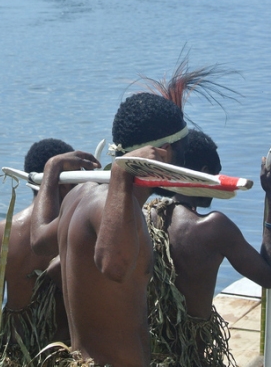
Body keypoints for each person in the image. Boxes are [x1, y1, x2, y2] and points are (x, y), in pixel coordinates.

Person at [31, 91, 190, 367]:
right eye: (183, 150)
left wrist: (51, 168)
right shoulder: (111, 204)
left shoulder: (79, 195)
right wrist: (121, 172)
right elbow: (114, 266)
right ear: (161, 153)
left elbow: (39, 239)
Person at [144, 130, 271, 367]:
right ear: (203, 174)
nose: (219, 181)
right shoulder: (212, 227)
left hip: (147, 355)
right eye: (215, 173)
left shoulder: (148, 216)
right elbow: (270, 276)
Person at [0, 138, 76, 367]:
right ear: (63, 183)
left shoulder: (0, 233)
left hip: (14, 359)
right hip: (62, 357)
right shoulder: (75, 230)